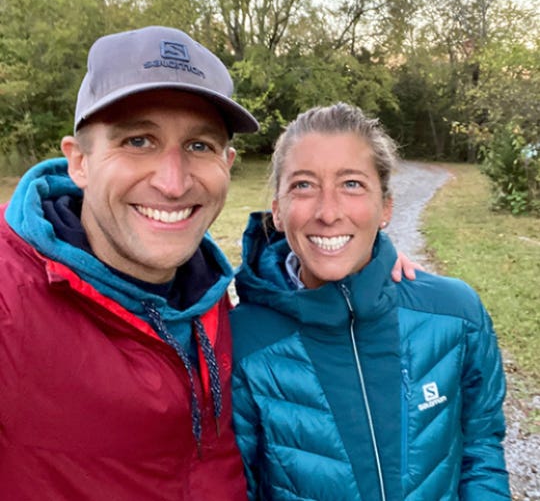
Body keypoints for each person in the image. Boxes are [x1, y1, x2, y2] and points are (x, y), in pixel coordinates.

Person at [0, 27, 416, 500]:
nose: (174, 183)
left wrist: (362, 257)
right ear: (80, 163)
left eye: (199, 146)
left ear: (228, 163)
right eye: (138, 141)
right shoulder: (10, 299)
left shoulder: (213, 298)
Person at [230, 103, 511, 500]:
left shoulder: (455, 315)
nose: (328, 212)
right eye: (303, 185)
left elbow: (480, 446)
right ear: (277, 210)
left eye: (352, 184)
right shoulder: (244, 343)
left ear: (386, 207)